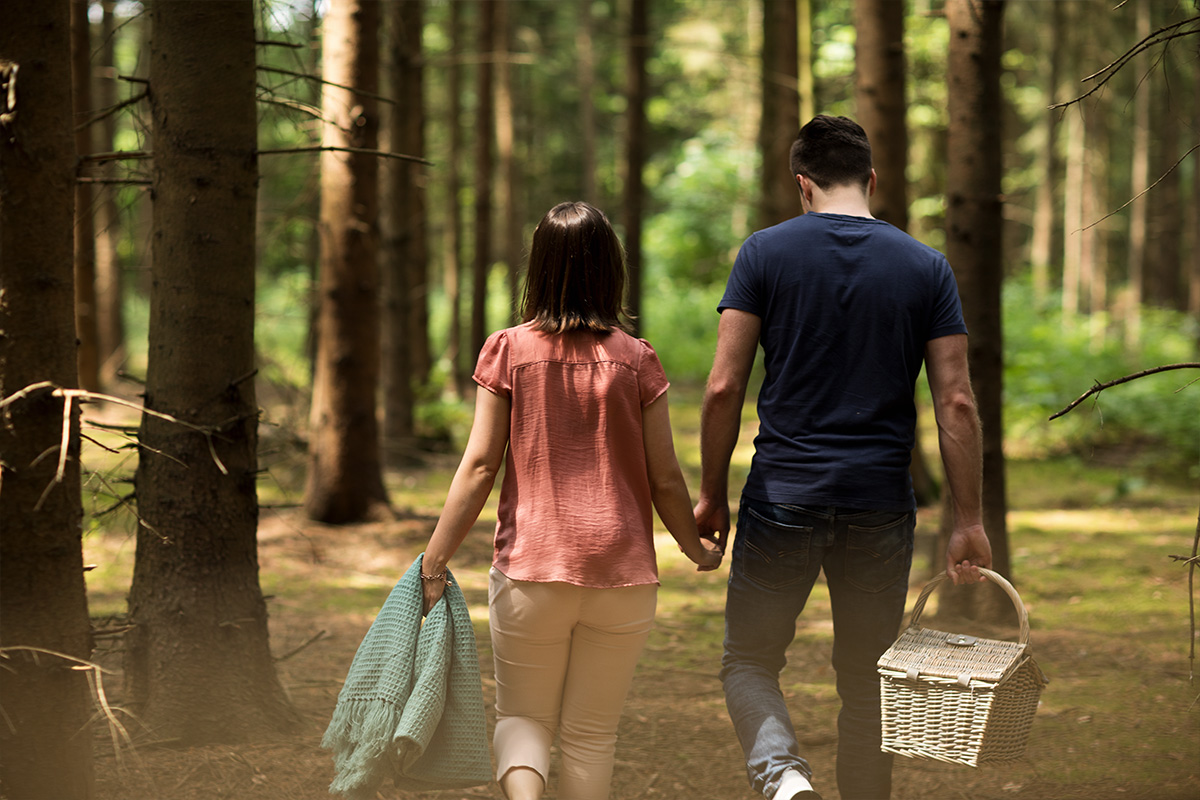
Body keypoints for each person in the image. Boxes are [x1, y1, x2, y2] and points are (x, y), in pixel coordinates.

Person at [693, 115, 993, 800]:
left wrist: (711, 494)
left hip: (783, 496)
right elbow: (956, 402)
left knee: (749, 660)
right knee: (866, 679)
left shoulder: (764, 253)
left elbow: (722, 387)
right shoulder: (926, 266)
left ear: (803, 185)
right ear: (871, 180)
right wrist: (968, 519)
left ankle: (784, 778)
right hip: (879, 503)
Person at [420, 201, 723, 800]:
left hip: (531, 571)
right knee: (591, 735)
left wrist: (434, 563)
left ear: (537, 268)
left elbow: (479, 466)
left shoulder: (508, 350)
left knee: (522, 718)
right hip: (623, 577)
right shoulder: (637, 359)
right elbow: (665, 478)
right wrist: (696, 549)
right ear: (611, 269)